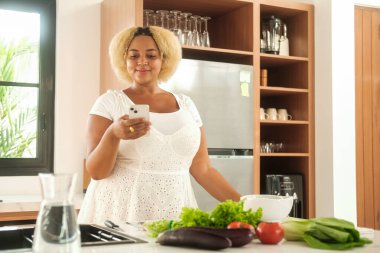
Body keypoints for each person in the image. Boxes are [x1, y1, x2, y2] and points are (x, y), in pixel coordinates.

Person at [78, 26, 240, 224]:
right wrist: (113, 134)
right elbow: (96, 172)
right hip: (122, 216)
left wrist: (245, 206)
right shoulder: (109, 103)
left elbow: (202, 168)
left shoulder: (186, 104)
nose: (142, 62)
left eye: (151, 55)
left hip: (175, 214)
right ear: (124, 60)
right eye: (134, 55)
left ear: (163, 59)